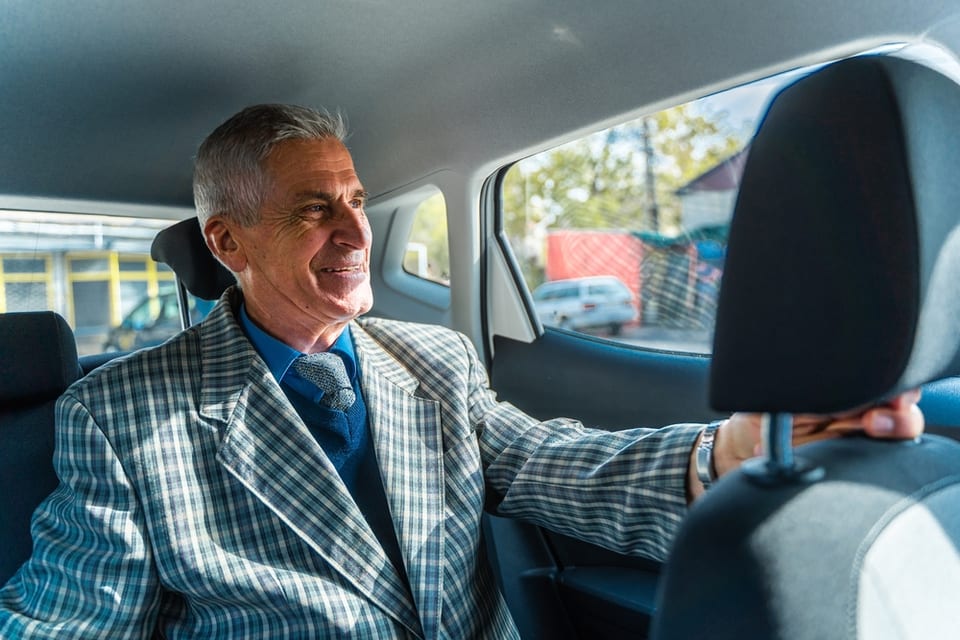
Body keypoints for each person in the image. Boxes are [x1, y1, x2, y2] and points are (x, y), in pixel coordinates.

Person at [0, 104, 924, 639]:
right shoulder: (118, 412)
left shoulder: (434, 361)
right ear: (227, 241)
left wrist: (732, 454)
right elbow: (72, 622)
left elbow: (553, 463)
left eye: (359, 202)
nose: (359, 235)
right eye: (315, 212)